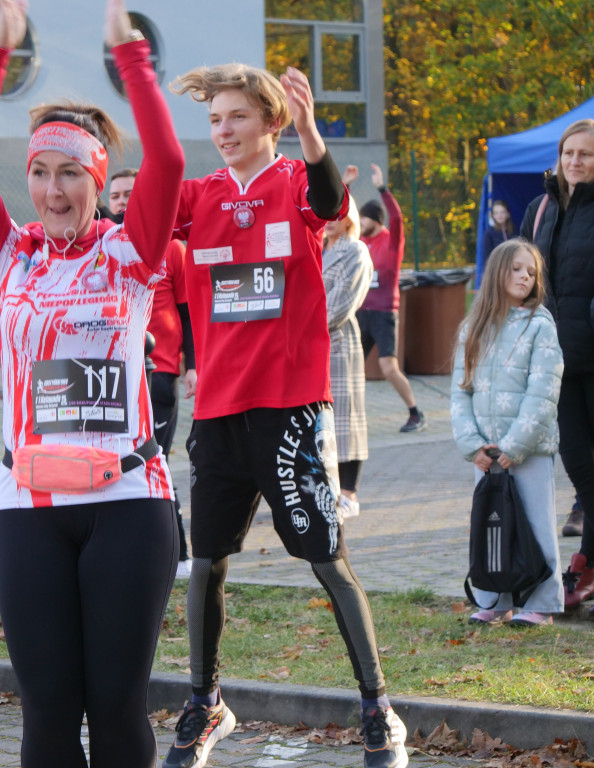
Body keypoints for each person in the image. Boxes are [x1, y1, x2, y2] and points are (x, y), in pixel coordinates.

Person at [0, 0, 184, 764]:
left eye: (70, 173)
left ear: (97, 178)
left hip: (127, 502)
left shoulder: (130, 253)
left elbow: (172, 164)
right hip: (29, 508)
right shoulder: (8, 256)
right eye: (41, 172)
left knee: (116, 710)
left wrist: (132, 59)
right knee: (47, 714)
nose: (53, 190)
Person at [166, 63, 408, 768]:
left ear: (270, 122)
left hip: (292, 412)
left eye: (236, 117)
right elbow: (145, 213)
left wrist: (310, 131)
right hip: (217, 414)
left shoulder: (297, 182)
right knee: (205, 564)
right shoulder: (201, 196)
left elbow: (332, 200)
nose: (223, 132)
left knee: (326, 560)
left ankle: (378, 709)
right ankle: (205, 703)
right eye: (214, 120)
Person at [521, 118, 594, 619]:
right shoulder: (541, 209)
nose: (575, 162)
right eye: (568, 153)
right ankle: (590, 567)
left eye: (586, 154)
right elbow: (518, 277)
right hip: (552, 359)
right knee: (587, 468)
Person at [450, 239, 564, 626]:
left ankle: (542, 602)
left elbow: (543, 391)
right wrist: (473, 446)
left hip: (528, 450)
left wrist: (516, 445)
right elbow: (459, 390)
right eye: (516, 269)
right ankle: (494, 599)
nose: (524, 277)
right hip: (487, 452)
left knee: (535, 522)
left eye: (531, 273)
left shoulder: (540, 325)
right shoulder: (474, 327)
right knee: (490, 522)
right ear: (497, 271)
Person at [107, 167, 197, 577]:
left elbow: (188, 312)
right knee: (116, 465)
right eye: (116, 195)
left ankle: (178, 553)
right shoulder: (102, 249)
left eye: (130, 193)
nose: (123, 201)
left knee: (151, 459)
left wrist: (193, 366)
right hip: (110, 377)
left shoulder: (172, 248)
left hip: (158, 372)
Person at [345, 164, 425, 433]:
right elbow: (341, 220)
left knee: (388, 367)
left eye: (364, 218)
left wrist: (382, 188)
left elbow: (397, 219)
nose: (359, 222)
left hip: (383, 313)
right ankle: (347, 417)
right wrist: (345, 187)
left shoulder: (390, 242)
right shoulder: (360, 242)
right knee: (347, 366)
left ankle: (415, 413)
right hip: (360, 312)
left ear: (375, 221)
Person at [322, 197, 373, 519]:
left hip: (338, 341)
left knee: (346, 419)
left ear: (349, 218)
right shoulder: (317, 247)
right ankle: (325, 487)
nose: (328, 220)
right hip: (310, 345)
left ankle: (348, 493)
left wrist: (300, 326)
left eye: (336, 215)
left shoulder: (355, 251)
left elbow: (340, 305)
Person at [479, 199, 514, 279]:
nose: (499, 215)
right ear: (493, 215)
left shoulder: (513, 232)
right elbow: (487, 257)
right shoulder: (489, 234)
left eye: (502, 212)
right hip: (496, 271)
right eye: (496, 213)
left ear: (508, 214)